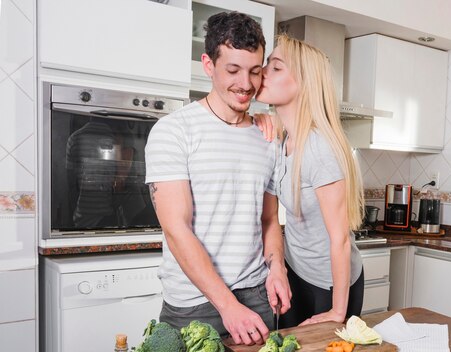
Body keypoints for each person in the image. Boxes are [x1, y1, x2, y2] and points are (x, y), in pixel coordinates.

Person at [144, 12, 290, 345]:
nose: (246, 84)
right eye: (233, 70)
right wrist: (227, 305)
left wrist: (277, 268)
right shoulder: (173, 131)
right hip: (194, 302)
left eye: (255, 71)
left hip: (256, 295)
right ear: (208, 65)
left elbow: (269, 219)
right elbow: (176, 227)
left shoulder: (267, 136)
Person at [255, 34, 365, 328]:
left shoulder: (319, 148)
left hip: (331, 284)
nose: (262, 72)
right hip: (295, 270)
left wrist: (337, 312)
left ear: (304, 83)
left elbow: (340, 239)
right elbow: (270, 217)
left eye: (276, 67)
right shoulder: (281, 141)